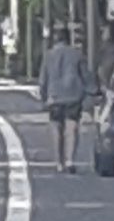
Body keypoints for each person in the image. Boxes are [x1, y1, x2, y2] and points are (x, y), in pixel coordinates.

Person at [38, 26, 91, 171]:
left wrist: (43, 98)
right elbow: (85, 76)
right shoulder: (77, 54)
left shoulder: (48, 56)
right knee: (71, 127)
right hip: (73, 96)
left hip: (54, 96)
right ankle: (70, 160)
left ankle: (58, 162)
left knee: (56, 127)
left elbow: (43, 79)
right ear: (68, 39)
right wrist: (90, 92)